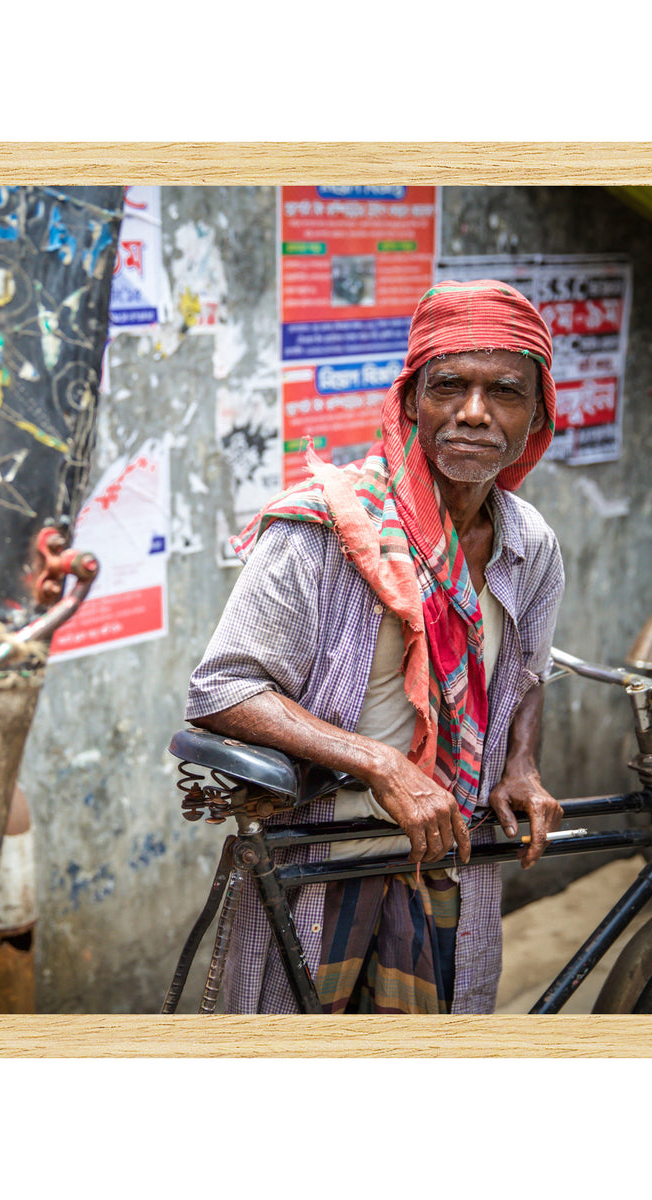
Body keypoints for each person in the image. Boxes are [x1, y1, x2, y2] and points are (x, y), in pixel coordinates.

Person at [185, 280, 565, 1015]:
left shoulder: (530, 546)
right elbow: (223, 690)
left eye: (506, 392)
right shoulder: (323, 532)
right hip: (323, 862)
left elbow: (525, 671)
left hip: (449, 855)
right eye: (449, 386)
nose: (474, 413)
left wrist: (520, 763)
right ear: (411, 400)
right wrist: (383, 763)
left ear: (538, 414)